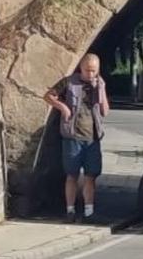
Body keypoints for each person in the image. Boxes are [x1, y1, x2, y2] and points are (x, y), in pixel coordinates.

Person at [43, 53, 110, 224]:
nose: (90, 74)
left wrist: (100, 90)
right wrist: (63, 107)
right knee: (71, 174)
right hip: (72, 136)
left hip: (92, 137)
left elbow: (104, 111)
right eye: (87, 70)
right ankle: (70, 210)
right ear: (81, 68)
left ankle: (89, 211)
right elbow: (48, 96)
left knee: (90, 175)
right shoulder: (69, 82)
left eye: (94, 71)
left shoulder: (99, 84)